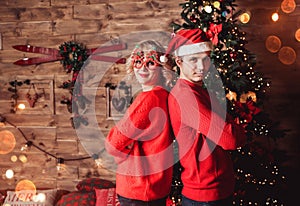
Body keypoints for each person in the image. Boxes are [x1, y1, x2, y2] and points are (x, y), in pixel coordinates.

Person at [166, 28, 247, 206]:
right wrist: (236, 128)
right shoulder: (186, 97)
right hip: (205, 195)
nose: (201, 67)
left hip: (214, 189)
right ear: (179, 61)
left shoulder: (199, 90)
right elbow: (231, 139)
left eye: (205, 59)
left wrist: (232, 128)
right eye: (193, 59)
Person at [105, 40, 175, 206]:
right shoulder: (163, 95)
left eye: (150, 63)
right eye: (138, 62)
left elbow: (112, 144)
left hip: (139, 189)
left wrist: (124, 152)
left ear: (161, 67)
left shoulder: (148, 99)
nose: (142, 68)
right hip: (155, 186)